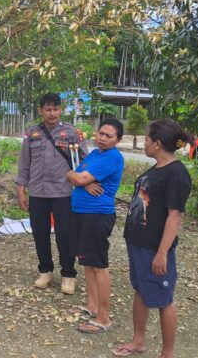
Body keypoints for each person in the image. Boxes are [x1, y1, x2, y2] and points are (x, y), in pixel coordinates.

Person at [112, 120, 192, 358]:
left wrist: (162, 253)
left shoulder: (177, 174)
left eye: (146, 140)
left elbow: (175, 216)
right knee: (141, 290)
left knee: (164, 299)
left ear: (157, 144)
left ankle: (168, 353)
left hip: (154, 248)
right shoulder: (157, 168)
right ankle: (138, 341)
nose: (144, 143)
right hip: (138, 244)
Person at [15, 93, 86, 294]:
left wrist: (84, 183)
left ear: (60, 110)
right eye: (48, 109)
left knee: (65, 235)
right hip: (38, 192)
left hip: (63, 192)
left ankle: (68, 274)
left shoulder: (71, 133)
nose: (52, 113)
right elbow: (24, 164)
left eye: (55, 109)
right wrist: (21, 191)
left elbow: (84, 160)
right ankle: (45, 270)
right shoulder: (32, 134)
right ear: (40, 111)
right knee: (40, 234)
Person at [66, 118, 125, 334]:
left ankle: (104, 317)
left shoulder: (112, 157)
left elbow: (77, 177)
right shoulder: (93, 155)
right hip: (81, 212)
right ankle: (92, 306)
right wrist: (80, 179)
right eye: (101, 133)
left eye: (108, 136)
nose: (102, 138)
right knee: (87, 262)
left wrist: (80, 179)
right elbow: (72, 175)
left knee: (99, 264)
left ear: (118, 140)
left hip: (97, 215)